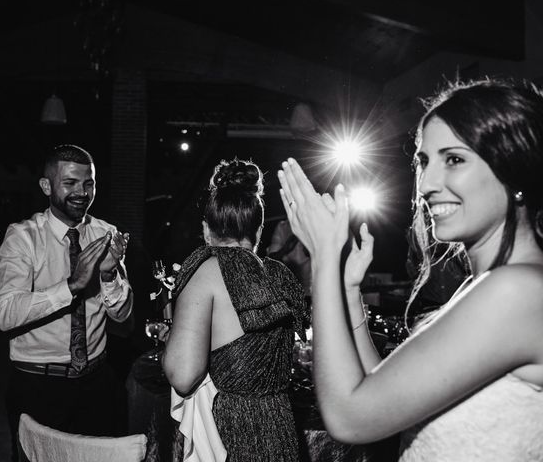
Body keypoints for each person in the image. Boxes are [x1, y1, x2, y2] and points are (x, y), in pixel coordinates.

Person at [278, 78, 543, 461]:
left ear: (514, 170)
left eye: (453, 159)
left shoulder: (516, 290)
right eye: (423, 161)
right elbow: (382, 394)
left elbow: (350, 418)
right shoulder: (485, 285)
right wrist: (347, 288)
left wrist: (321, 257)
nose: (427, 184)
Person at [0, 144, 134, 461]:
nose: (82, 192)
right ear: (47, 186)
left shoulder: (105, 233)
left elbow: (122, 315)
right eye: (70, 183)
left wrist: (109, 274)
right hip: (38, 385)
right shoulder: (22, 237)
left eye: (88, 183)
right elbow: (4, 314)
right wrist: (72, 285)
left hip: (97, 382)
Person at [162, 158, 309, 461]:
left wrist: (169, 340)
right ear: (259, 229)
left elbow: (183, 375)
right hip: (279, 426)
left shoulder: (206, 274)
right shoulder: (281, 275)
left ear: (207, 229)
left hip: (230, 432)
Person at [267, 218, 312, 302]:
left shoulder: (313, 223)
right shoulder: (282, 226)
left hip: (311, 289)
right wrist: (286, 248)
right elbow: (271, 258)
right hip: (289, 290)